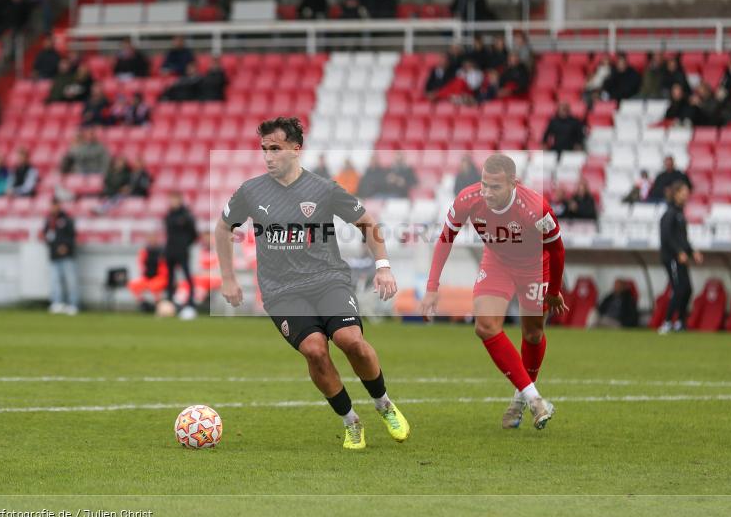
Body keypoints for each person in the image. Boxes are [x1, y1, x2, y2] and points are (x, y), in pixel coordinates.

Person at [216, 117, 409, 450]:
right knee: (315, 350)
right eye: (264, 150)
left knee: (351, 341)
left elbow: (366, 222)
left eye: (275, 149)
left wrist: (383, 267)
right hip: (281, 290)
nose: (268, 156)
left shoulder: (323, 189)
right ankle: (351, 422)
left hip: (327, 279)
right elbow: (222, 229)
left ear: (296, 148)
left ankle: (384, 404)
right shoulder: (250, 191)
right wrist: (229, 278)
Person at [421, 154, 566, 429]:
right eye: (484, 184)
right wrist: (432, 287)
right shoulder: (468, 199)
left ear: (513, 183)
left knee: (533, 334)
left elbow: (557, 249)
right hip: (497, 262)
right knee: (485, 326)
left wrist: (555, 290)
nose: (486, 192)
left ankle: (519, 399)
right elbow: (445, 238)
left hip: (535, 266)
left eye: (495, 187)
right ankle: (534, 400)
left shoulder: (535, 208)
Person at [658, 181, 703, 334]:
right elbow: (667, 237)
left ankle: (681, 322)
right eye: (684, 192)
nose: (686, 195)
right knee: (678, 289)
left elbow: (682, 238)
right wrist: (678, 252)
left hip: (680, 258)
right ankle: (667, 322)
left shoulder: (680, 213)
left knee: (687, 289)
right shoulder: (670, 213)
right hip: (672, 258)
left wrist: (692, 251)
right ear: (676, 194)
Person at [164, 192, 198, 319]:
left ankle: (191, 301)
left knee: (187, 276)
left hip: (182, 251)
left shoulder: (186, 216)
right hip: (170, 250)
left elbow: (194, 234)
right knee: (170, 277)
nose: (172, 202)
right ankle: (169, 301)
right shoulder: (168, 215)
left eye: (174, 200)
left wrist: (184, 244)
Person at [43, 198, 79, 315]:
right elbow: (46, 235)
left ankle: (73, 304)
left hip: (67, 255)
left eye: (55, 205)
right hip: (54, 255)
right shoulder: (49, 219)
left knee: (70, 281)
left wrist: (65, 246)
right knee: (55, 281)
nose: (53, 208)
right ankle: (57, 302)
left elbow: (72, 235)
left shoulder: (66, 219)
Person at [128, 232, 169, 308]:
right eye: (150, 239)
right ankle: (143, 303)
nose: (152, 241)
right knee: (133, 284)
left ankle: (158, 304)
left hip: (159, 277)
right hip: (147, 278)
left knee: (154, 286)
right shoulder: (145, 251)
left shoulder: (162, 251)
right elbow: (141, 265)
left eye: (153, 239)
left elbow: (164, 269)